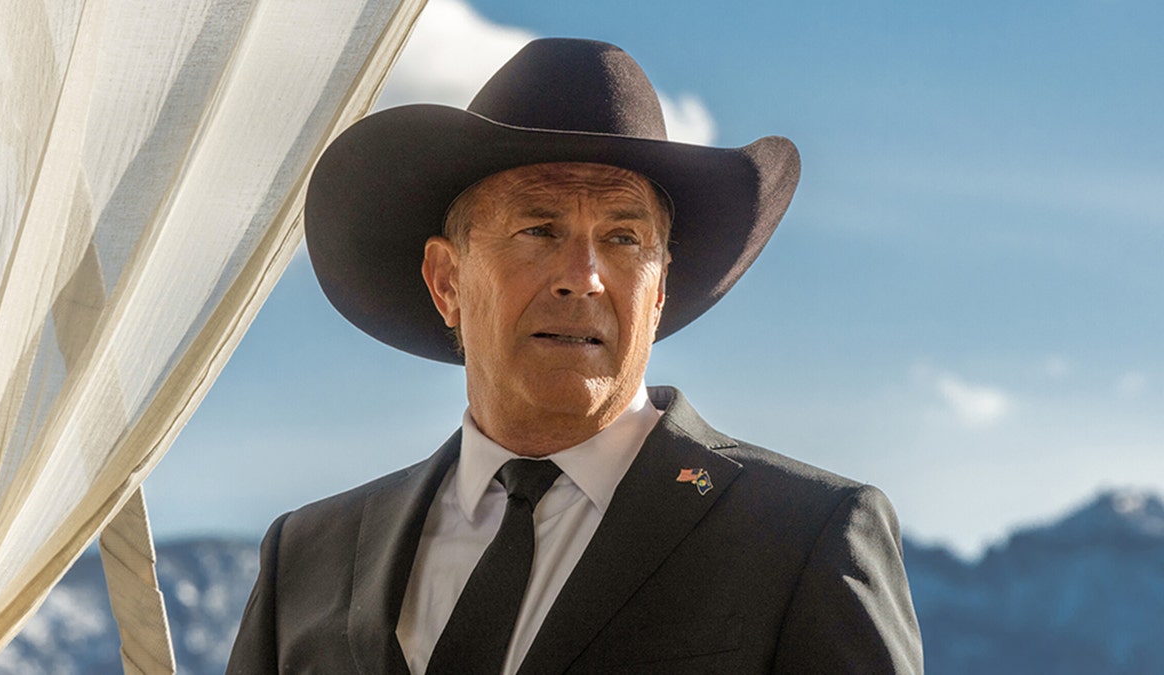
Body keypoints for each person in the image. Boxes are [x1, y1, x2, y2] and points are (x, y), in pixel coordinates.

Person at [228, 38, 922, 674]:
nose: (583, 275)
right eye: (539, 227)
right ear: (447, 282)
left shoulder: (803, 538)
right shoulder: (306, 558)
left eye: (623, 238)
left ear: (660, 291)